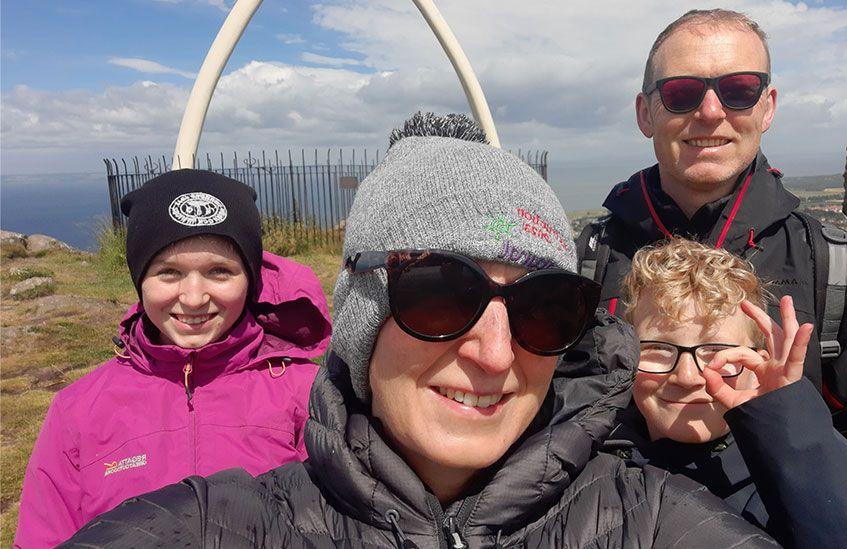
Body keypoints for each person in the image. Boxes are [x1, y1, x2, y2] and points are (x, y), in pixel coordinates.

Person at [62, 132, 779, 547]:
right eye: (441, 294)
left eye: (544, 307)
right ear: (361, 318)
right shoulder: (224, 527)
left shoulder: (656, 525)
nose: (496, 353)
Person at [572, 8, 847, 511]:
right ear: (645, 112)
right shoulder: (587, 260)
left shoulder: (831, 265)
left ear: (767, 106)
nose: (711, 112)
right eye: (681, 92)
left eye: (738, 89)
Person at [14, 169, 332, 547]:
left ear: (249, 278)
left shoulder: (308, 395)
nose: (194, 297)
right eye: (169, 272)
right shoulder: (77, 411)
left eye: (219, 271)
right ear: (139, 279)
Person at [602, 238, 847, 547]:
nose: (687, 377)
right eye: (657, 348)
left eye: (716, 351)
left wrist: (786, 422)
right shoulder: (594, 465)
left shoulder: (788, 484)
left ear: (759, 360)